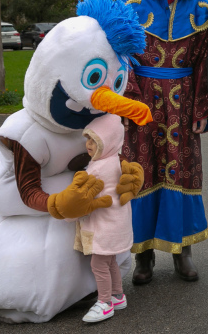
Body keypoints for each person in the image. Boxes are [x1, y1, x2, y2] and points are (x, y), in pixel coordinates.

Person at [0, 0, 149, 323]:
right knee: (47, 252)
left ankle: (101, 292)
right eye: (95, 77)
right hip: (30, 213)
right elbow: (15, 192)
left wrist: (125, 175)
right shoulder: (27, 132)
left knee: (99, 238)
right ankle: (64, 294)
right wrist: (58, 203)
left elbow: (105, 158)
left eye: (115, 82)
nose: (106, 97)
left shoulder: (96, 119)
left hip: (85, 207)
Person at [117, 0, 208, 283]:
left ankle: (181, 251)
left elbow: (204, 63)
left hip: (182, 103)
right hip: (141, 99)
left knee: (180, 171)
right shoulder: (129, 0)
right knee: (141, 171)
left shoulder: (200, 7)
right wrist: (127, 96)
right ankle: (142, 257)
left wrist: (201, 108)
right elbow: (117, 54)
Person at [74, 115, 132, 323]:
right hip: (117, 224)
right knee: (110, 262)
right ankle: (118, 295)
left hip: (104, 226)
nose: (88, 145)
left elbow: (84, 198)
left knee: (98, 264)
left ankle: (105, 303)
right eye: (88, 139)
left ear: (108, 143)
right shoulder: (115, 160)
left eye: (94, 141)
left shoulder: (98, 168)